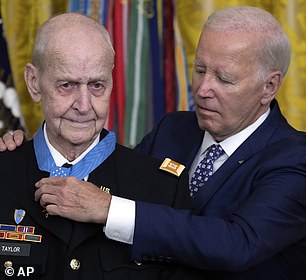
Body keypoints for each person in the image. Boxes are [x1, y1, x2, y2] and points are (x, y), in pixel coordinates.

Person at [2, 6, 306, 279]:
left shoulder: (294, 157)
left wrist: (109, 209)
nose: (202, 89)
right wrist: (25, 154)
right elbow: (114, 170)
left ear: (269, 86)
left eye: (224, 79)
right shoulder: (173, 129)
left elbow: (238, 244)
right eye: (199, 70)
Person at [0, 12, 191, 279]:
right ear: (34, 83)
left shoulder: (162, 188)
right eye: (67, 85)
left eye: (97, 85)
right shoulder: (4, 169)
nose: (83, 105)